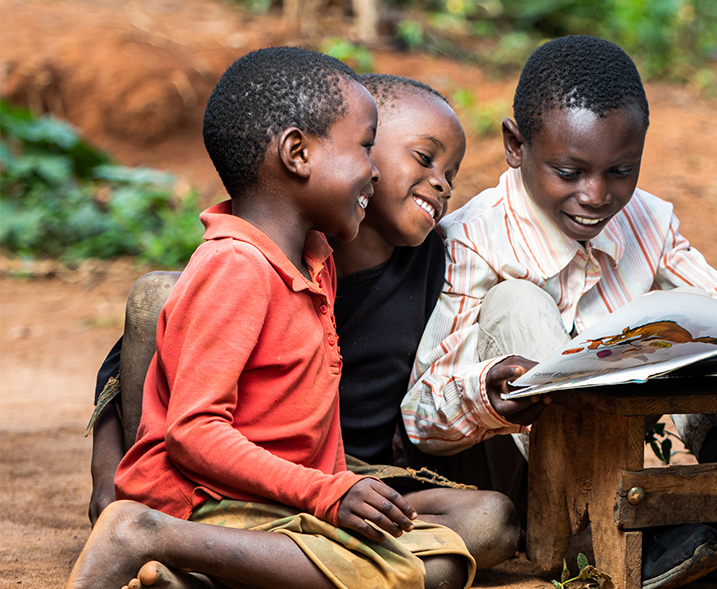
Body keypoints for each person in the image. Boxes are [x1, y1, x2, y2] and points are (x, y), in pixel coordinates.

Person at [402, 35, 717, 588]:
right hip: (530, 480)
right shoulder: (471, 241)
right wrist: (491, 392)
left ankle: (712, 525)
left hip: (649, 454)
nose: (597, 195)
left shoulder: (648, 220)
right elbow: (418, 417)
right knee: (518, 299)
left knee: (715, 326)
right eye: (570, 172)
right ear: (515, 144)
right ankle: (637, 533)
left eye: (621, 171)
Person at [67, 47, 477, 589]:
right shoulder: (236, 266)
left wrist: (334, 489)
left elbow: (319, 416)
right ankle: (143, 533)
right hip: (210, 497)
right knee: (426, 574)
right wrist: (327, 494)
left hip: (281, 495)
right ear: (297, 154)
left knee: (448, 560)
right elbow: (192, 432)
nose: (372, 171)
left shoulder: (314, 261)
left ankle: (199, 576)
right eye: (364, 149)